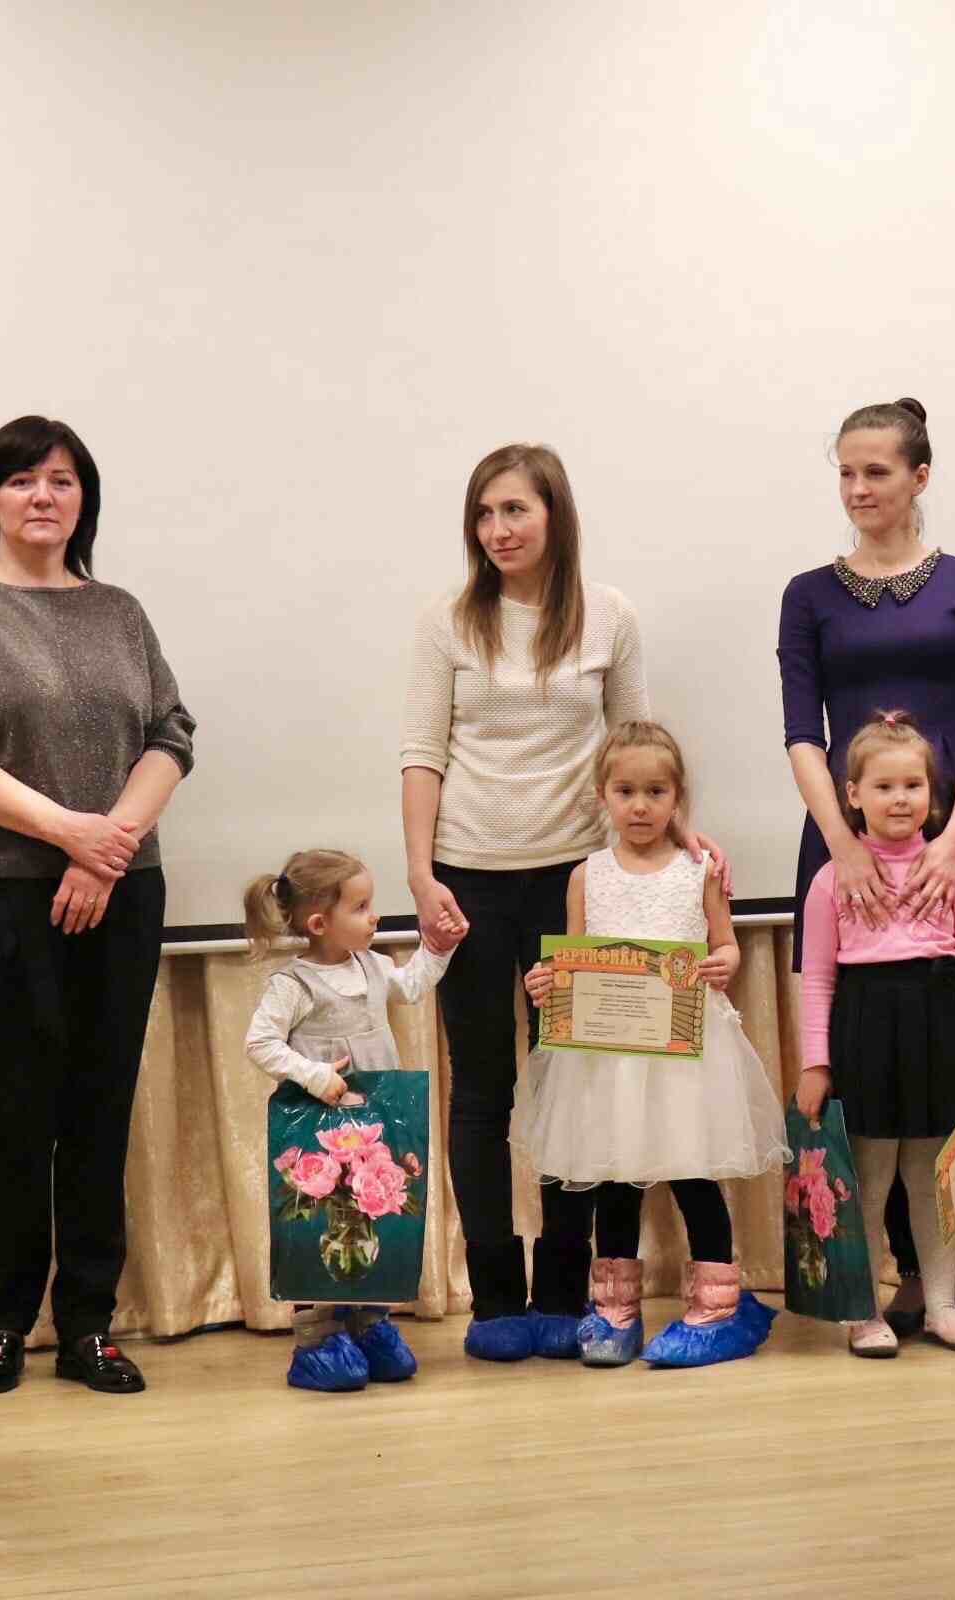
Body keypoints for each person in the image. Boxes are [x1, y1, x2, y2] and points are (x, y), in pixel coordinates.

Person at [402, 444, 718, 1362]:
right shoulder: (446, 622)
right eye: (484, 513)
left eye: (516, 510)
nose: (498, 530)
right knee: (482, 1089)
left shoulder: (608, 616)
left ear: (555, 516)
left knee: (577, 1083)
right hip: (467, 877)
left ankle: (564, 1290)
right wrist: (421, 876)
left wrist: (688, 839)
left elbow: (637, 745)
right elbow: (422, 753)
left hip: (580, 884)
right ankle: (497, 1298)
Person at [0, 415, 195, 1398]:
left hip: (122, 891)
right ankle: (5, 1322)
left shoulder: (120, 611)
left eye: (63, 480)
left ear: (84, 502)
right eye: (23, 479)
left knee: (99, 1110)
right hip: (0, 896)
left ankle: (90, 1325)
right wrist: (72, 833)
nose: (43, 495)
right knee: (14, 1113)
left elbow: (170, 734)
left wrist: (108, 849)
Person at [778, 398, 955, 1338]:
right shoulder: (808, 593)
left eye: (876, 471)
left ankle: (932, 1280)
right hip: (848, 838)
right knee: (868, 1062)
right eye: (846, 472)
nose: (858, 489)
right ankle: (896, 1280)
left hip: (951, 832)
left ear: (919, 476)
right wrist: (843, 844)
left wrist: (954, 837)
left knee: (933, 1048)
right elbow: (801, 733)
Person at [510, 721, 789, 1368]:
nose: (640, 806)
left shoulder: (699, 871)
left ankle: (716, 1305)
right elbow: (574, 959)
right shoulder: (586, 876)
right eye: (626, 791)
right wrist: (548, 980)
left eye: (656, 792)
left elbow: (726, 943)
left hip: (686, 1056)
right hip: (609, 1062)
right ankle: (615, 1309)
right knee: (617, 1180)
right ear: (602, 796)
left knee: (693, 1174)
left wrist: (724, 962)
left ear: (677, 798)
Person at [795, 711, 955, 1357]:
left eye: (912, 785)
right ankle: (863, 1311)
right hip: (864, 1032)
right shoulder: (831, 880)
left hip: (937, 1031)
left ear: (931, 792)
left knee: (929, 1180)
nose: (900, 799)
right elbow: (817, 981)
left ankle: (940, 1305)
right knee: (869, 1180)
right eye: (884, 786)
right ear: (852, 794)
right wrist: (815, 1063)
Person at [241, 849, 460, 1392]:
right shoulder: (294, 985)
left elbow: (411, 986)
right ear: (320, 923)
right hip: (320, 1131)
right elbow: (260, 1043)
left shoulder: (373, 965)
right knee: (319, 1220)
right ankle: (317, 1336)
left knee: (372, 1216)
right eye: (360, 907)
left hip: (374, 1128)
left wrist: (438, 948)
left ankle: (368, 1321)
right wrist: (314, 1075)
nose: (374, 916)